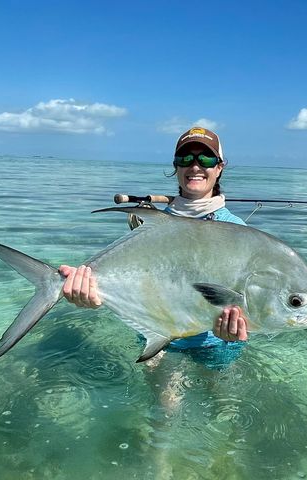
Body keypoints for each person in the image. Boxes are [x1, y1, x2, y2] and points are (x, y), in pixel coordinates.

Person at [59, 126, 249, 357]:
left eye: (207, 158)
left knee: (221, 395)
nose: (195, 166)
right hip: (158, 343)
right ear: (176, 166)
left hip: (216, 345)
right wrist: (93, 292)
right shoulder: (155, 225)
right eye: (185, 158)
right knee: (164, 394)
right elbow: (137, 281)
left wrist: (233, 333)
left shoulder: (238, 231)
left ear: (219, 168)